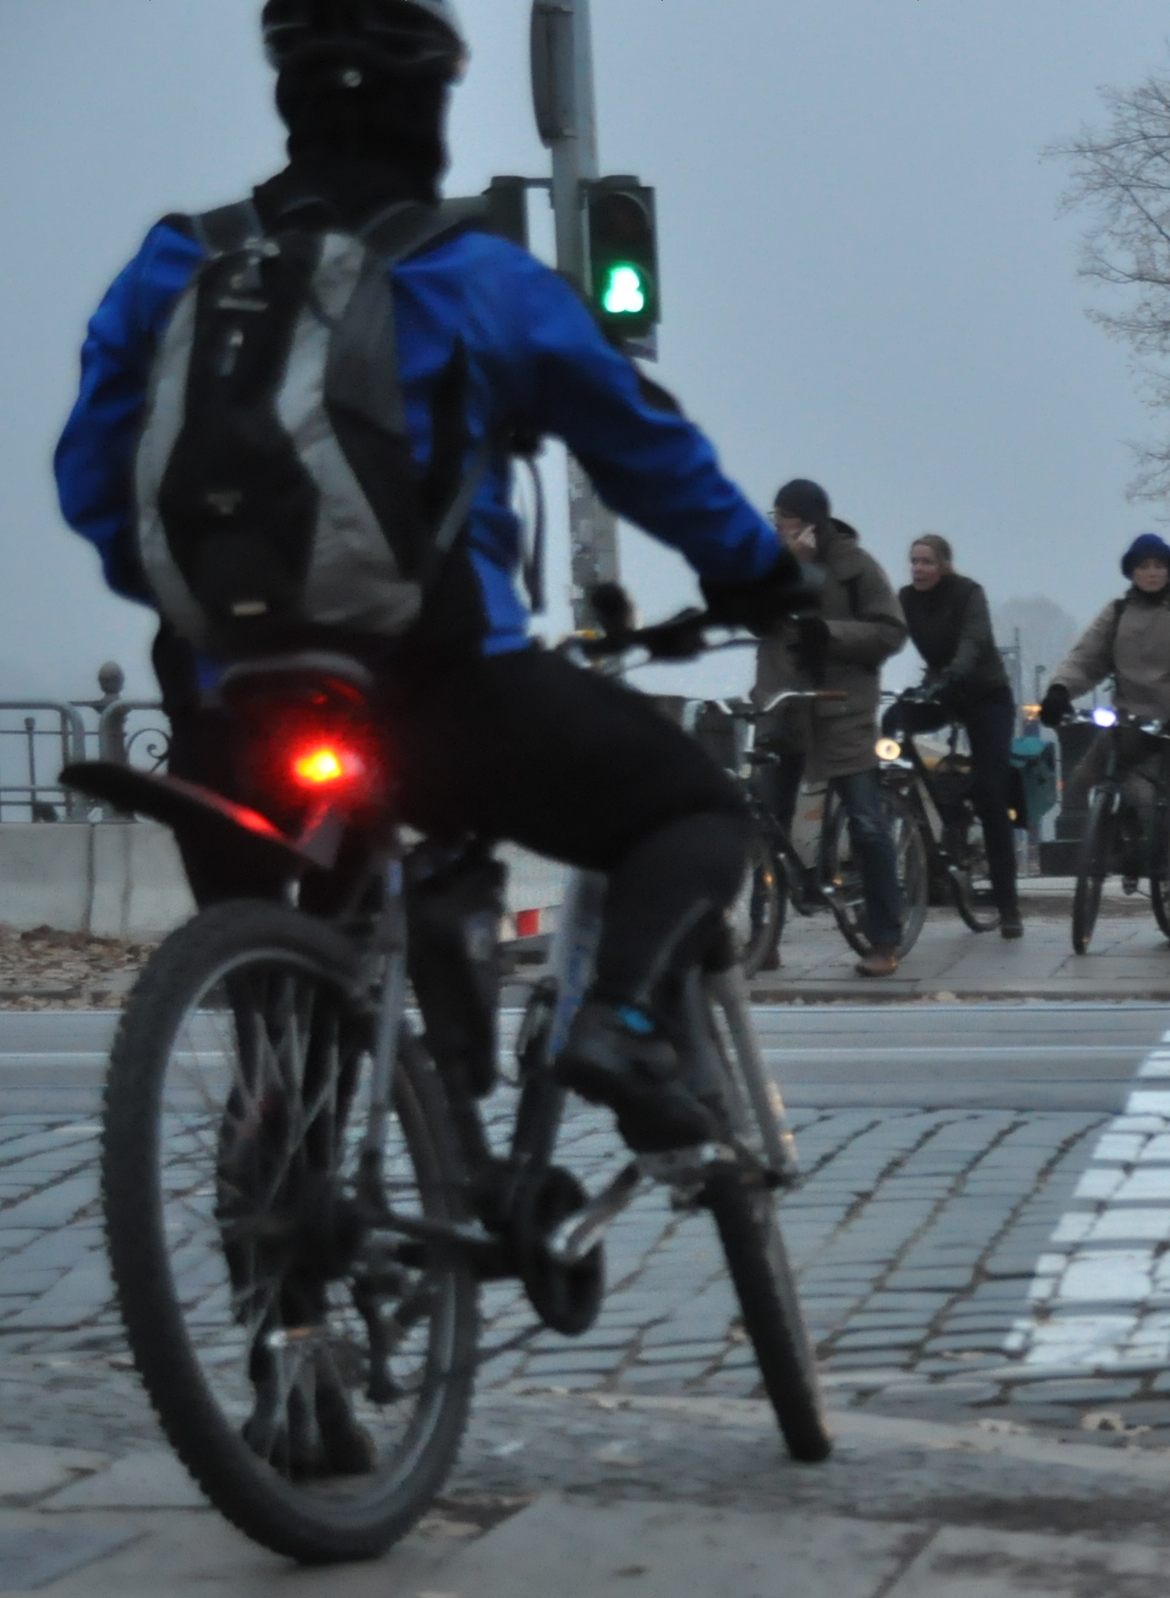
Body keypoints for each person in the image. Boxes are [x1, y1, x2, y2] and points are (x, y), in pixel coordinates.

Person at [53, 0, 810, 1152]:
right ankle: (619, 1022)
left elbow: (95, 483)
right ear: (431, 110)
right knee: (696, 811)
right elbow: (643, 447)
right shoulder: (470, 275)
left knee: (267, 930)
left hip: (224, 693)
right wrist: (755, 574)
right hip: (444, 688)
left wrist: (209, 613)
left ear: (288, 99)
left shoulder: (176, 262)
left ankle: (278, 1129)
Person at [752, 480, 909, 976]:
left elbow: (890, 631)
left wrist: (832, 634)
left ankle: (884, 938)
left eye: (783, 516)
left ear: (807, 520)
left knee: (866, 821)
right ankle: (763, 936)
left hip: (841, 710)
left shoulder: (856, 567)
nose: (776, 524)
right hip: (783, 708)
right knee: (765, 825)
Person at [1039, 535, 1170, 948]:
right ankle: (1118, 840)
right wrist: (1058, 690)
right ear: (1131, 571)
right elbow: (1085, 658)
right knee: (1086, 776)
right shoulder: (1117, 612)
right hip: (1132, 718)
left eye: (1160, 565)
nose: (1152, 572)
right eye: (1144, 566)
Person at [898, 533, 1024, 936]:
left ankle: (1008, 905)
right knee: (892, 726)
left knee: (991, 792)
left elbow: (974, 640)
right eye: (914, 561)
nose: (919, 568)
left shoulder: (969, 594)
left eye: (927, 562)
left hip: (985, 693)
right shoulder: (906, 599)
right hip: (942, 689)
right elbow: (885, 633)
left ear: (944, 565)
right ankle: (922, 805)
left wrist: (954, 674)